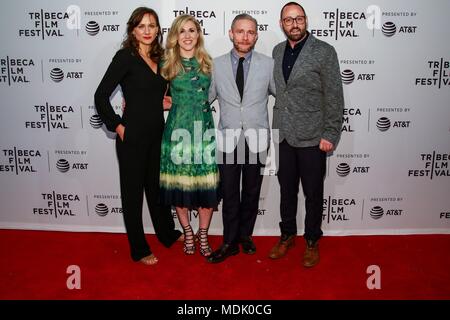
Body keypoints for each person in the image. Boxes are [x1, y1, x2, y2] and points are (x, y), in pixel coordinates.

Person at [94, 7, 182, 266]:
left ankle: (166, 233)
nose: (147, 31)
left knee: (157, 190)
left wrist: (164, 103)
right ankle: (139, 248)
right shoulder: (125, 57)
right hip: (131, 137)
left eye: (152, 26)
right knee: (132, 194)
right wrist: (118, 126)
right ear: (133, 29)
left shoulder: (162, 57)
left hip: (157, 133)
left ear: (158, 30)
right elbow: (100, 96)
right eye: (141, 26)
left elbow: (153, 95)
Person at [269, 2, 344, 267]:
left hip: (314, 137)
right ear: (281, 24)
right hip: (285, 136)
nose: (294, 24)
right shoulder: (277, 51)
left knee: (313, 193)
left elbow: (335, 97)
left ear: (306, 21)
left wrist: (330, 134)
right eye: (288, 20)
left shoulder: (324, 51)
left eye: (299, 18)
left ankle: (312, 240)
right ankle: (287, 235)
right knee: (286, 190)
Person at [207, 14, 276, 263]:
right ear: (231, 33)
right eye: (240, 31)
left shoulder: (269, 65)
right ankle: (229, 241)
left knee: (251, 191)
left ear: (256, 35)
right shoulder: (216, 65)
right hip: (227, 140)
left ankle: (245, 235)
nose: (245, 36)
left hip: (257, 139)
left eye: (250, 32)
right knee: (229, 193)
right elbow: (204, 99)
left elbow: (285, 96)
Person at [159, 15, 220, 257]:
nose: (187, 35)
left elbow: (216, 93)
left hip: (204, 132)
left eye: (192, 30)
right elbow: (151, 93)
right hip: (177, 133)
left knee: (206, 188)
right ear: (175, 35)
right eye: (182, 31)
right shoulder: (166, 63)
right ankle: (187, 232)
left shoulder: (207, 63)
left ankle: (202, 233)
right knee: (180, 188)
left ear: (198, 34)